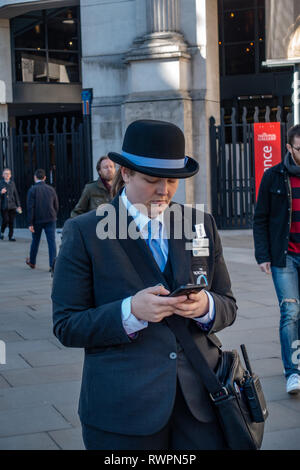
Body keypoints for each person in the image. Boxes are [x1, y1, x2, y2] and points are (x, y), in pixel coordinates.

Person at [52, 120, 237, 450]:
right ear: (125, 173)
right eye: (152, 180)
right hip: (124, 410)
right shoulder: (84, 232)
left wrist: (205, 306)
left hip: (203, 404)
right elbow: (67, 325)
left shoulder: (199, 222)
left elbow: (227, 304)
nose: (164, 190)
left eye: (171, 180)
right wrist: (130, 312)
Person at [253, 124, 300, 395]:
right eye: (299, 149)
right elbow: (260, 218)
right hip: (286, 257)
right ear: (288, 148)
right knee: (291, 312)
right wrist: (263, 255)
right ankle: (293, 372)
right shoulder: (273, 176)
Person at [26, 168, 59, 272]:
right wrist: (54, 214)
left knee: (35, 241)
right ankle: (52, 265)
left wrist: (30, 223)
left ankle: (32, 262)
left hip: (37, 220)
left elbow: (30, 207)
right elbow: (56, 205)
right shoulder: (51, 189)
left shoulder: (32, 190)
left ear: (35, 177)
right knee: (51, 242)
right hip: (50, 218)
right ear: (45, 178)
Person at [0, 168, 22, 241]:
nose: (7, 175)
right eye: (5, 173)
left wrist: (18, 206)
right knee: (5, 220)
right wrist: (1, 192)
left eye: (8, 174)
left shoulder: (12, 183)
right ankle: (2, 232)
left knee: (11, 221)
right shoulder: (1, 183)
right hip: (4, 206)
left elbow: (16, 195)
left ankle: (11, 236)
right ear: (3, 175)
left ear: (10, 175)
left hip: (12, 206)